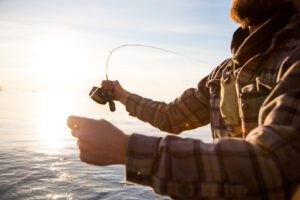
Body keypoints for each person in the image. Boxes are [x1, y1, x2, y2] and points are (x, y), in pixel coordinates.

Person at [67, 0, 300, 199]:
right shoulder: (223, 73)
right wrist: (121, 95)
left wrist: (126, 149)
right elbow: (172, 116)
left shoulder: (295, 57)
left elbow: (273, 165)